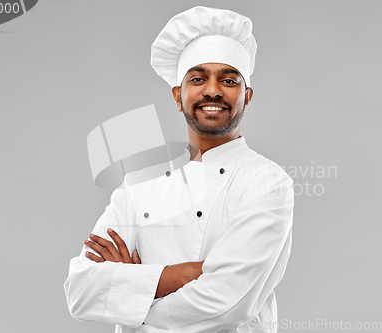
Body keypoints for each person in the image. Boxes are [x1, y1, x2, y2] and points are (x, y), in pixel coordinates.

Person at [64, 6, 294, 333]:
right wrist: (192, 273)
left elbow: (226, 305)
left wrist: (132, 294)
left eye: (229, 80)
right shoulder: (138, 184)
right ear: (178, 95)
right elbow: (81, 289)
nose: (212, 90)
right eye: (198, 78)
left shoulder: (267, 183)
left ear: (247, 96)